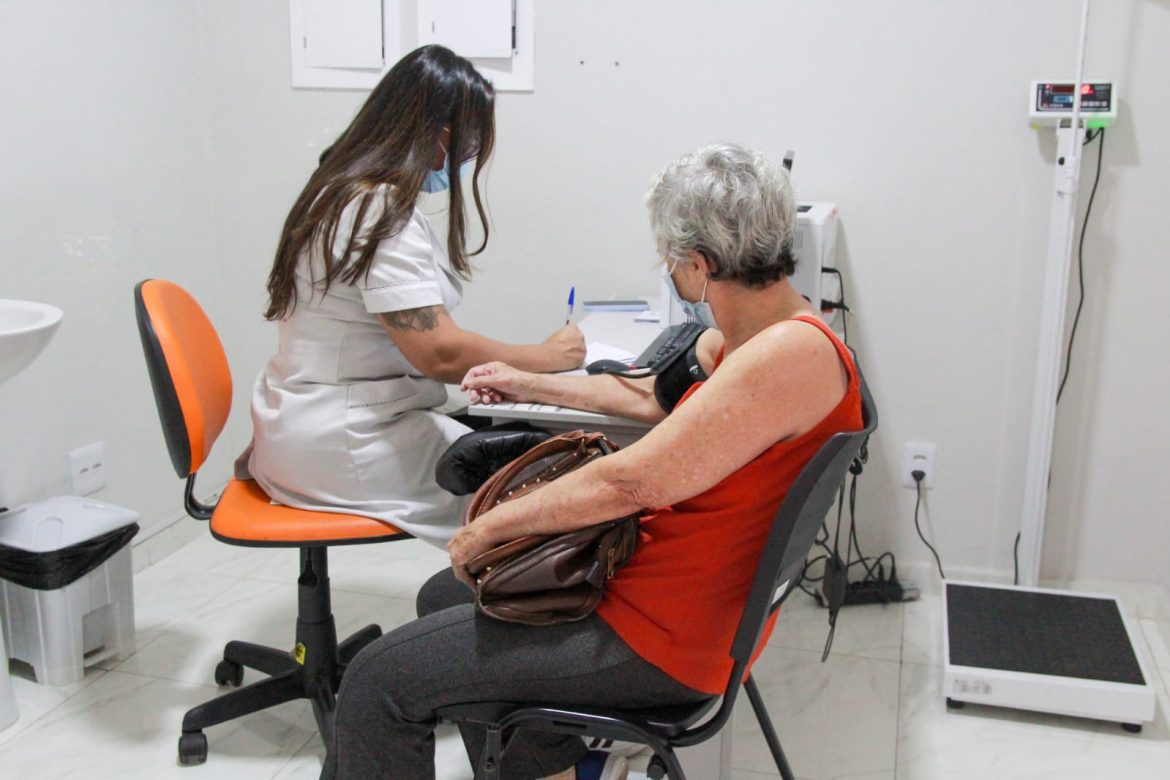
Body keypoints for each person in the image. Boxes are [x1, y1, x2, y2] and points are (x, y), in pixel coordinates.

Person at [322, 143, 864, 780]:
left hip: (660, 639)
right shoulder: (767, 335)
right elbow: (650, 394)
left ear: (698, 265)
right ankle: (540, 767)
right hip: (664, 601)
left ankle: (544, 755)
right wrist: (530, 383)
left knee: (377, 682)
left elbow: (630, 481)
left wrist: (484, 530)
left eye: (670, 259)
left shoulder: (786, 356)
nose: (669, 270)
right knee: (443, 595)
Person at [241, 46, 584, 548]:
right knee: (555, 495)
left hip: (308, 425)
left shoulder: (341, 190)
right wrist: (547, 358)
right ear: (438, 134)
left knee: (526, 457)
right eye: (467, 140)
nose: (466, 156)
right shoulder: (374, 207)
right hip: (346, 443)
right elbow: (438, 352)